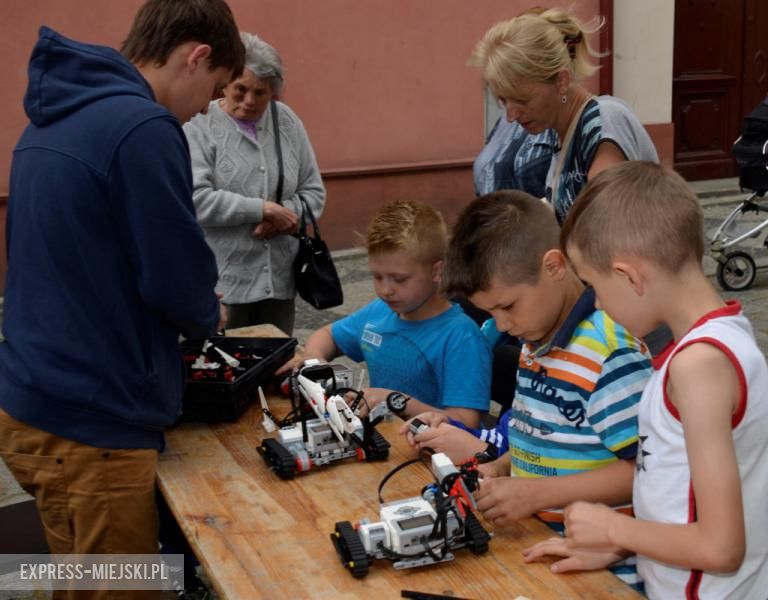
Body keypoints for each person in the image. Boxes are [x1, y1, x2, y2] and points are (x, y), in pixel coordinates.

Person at [0, 0, 243, 592]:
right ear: (197, 56)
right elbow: (173, 276)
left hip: (37, 400)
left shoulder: (55, 115)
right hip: (93, 422)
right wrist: (208, 311)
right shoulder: (142, 127)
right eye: (213, 92)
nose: (203, 111)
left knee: (81, 577)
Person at [524, 162, 768, 599]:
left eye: (595, 286)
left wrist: (615, 525)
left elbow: (722, 547)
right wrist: (620, 546)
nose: (597, 304)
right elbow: (681, 498)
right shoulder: (714, 342)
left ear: (629, 275)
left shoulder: (698, 367)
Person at [403, 190, 651, 590]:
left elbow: (645, 472)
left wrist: (537, 493)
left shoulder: (610, 355)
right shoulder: (534, 339)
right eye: (491, 312)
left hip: (605, 571)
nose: (501, 326)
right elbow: (538, 434)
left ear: (553, 266)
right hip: (541, 545)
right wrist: (500, 470)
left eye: (508, 306)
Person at [279, 199, 491, 428]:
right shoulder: (379, 312)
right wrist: (314, 358)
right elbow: (328, 335)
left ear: (437, 271)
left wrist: (393, 401)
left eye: (399, 279)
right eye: (377, 277)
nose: (385, 290)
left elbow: (466, 422)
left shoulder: (461, 338)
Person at [184, 32, 325, 335]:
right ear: (225, 83)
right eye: (240, 90)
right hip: (222, 288)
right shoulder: (200, 124)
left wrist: (283, 216)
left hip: (278, 284)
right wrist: (262, 210)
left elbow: (314, 193)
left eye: (260, 93)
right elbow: (195, 200)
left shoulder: (286, 121)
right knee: (224, 372)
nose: (249, 101)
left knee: (276, 372)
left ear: (273, 92)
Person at [469, 7, 659, 225]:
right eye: (503, 101)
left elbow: (608, 234)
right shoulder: (560, 136)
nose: (511, 116)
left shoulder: (602, 121)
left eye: (522, 100)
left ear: (562, 81)